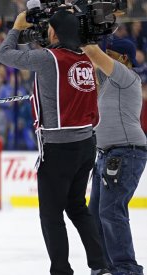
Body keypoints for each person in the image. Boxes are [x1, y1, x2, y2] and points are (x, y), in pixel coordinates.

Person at [0, 11, 111, 275]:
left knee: (51, 215)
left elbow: (4, 54)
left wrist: (16, 27)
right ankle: (100, 265)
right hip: (86, 144)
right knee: (77, 207)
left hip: (59, 147)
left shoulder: (48, 59)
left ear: (55, 33)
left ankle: (61, 270)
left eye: (49, 28)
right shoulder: (85, 59)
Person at [82, 39, 146, 275]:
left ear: (124, 59)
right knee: (96, 214)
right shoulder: (108, 82)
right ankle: (105, 266)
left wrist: (83, 36)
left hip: (126, 151)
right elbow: (88, 62)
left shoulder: (125, 76)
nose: (104, 57)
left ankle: (126, 269)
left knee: (111, 211)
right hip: (108, 154)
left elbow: (92, 53)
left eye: (110, 54)